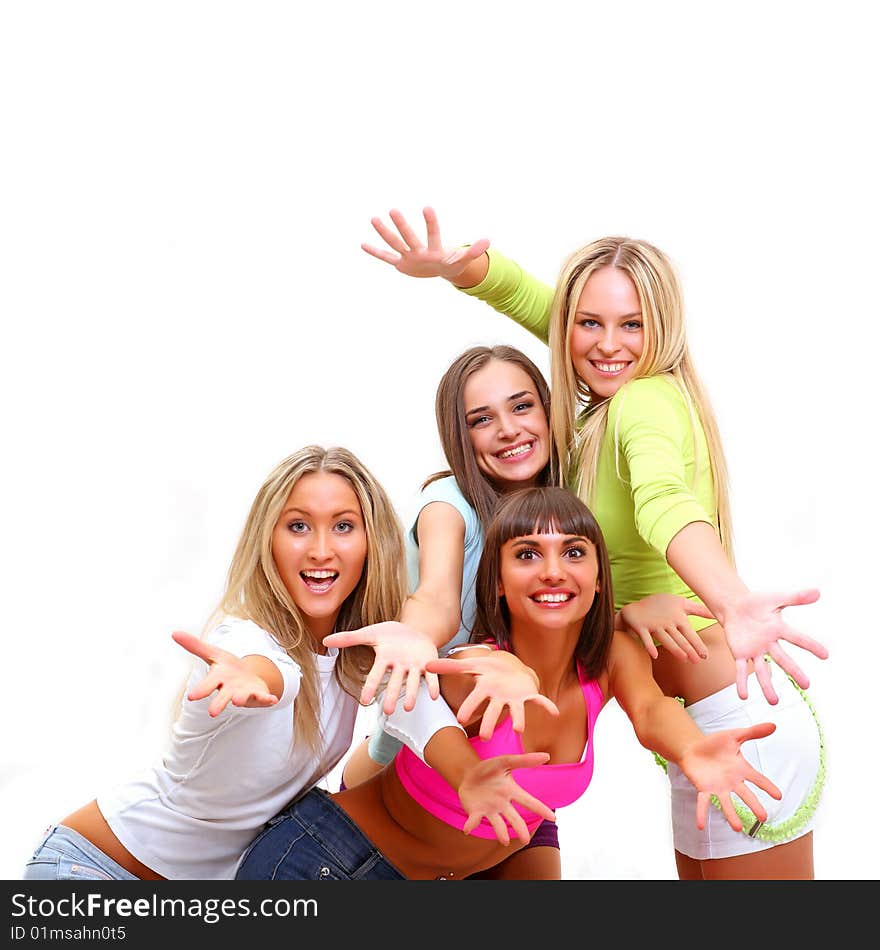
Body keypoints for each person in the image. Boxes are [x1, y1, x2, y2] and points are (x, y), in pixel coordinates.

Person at [362, 208, 828, 879]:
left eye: (632, 325)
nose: (608, 345)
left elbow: (665, 502)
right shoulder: (606, 402)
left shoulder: (642, 403)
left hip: (738, 725)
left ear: (659, 328)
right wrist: (461, 268)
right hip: (694, 734)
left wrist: (729, 600)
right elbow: (532, 300)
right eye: (590, 323)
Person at [235, 486, 782, 881]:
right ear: (495, 583)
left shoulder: (613, 654)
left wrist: (692, 749)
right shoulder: (479, 666)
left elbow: (652, 709)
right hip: (321, 862)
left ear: (597, 580)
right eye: (527, 554)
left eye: (573, 552)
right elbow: (438, 683)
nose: (552, 571)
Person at [22, 445, 408, 880]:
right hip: (88, 868)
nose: (321, 550)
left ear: (372, 541)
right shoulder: (243, 641)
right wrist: (252, 676)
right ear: (268, 540)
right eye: (298, 526)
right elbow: (272, 673)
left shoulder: (348, 660)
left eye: (343, 526)